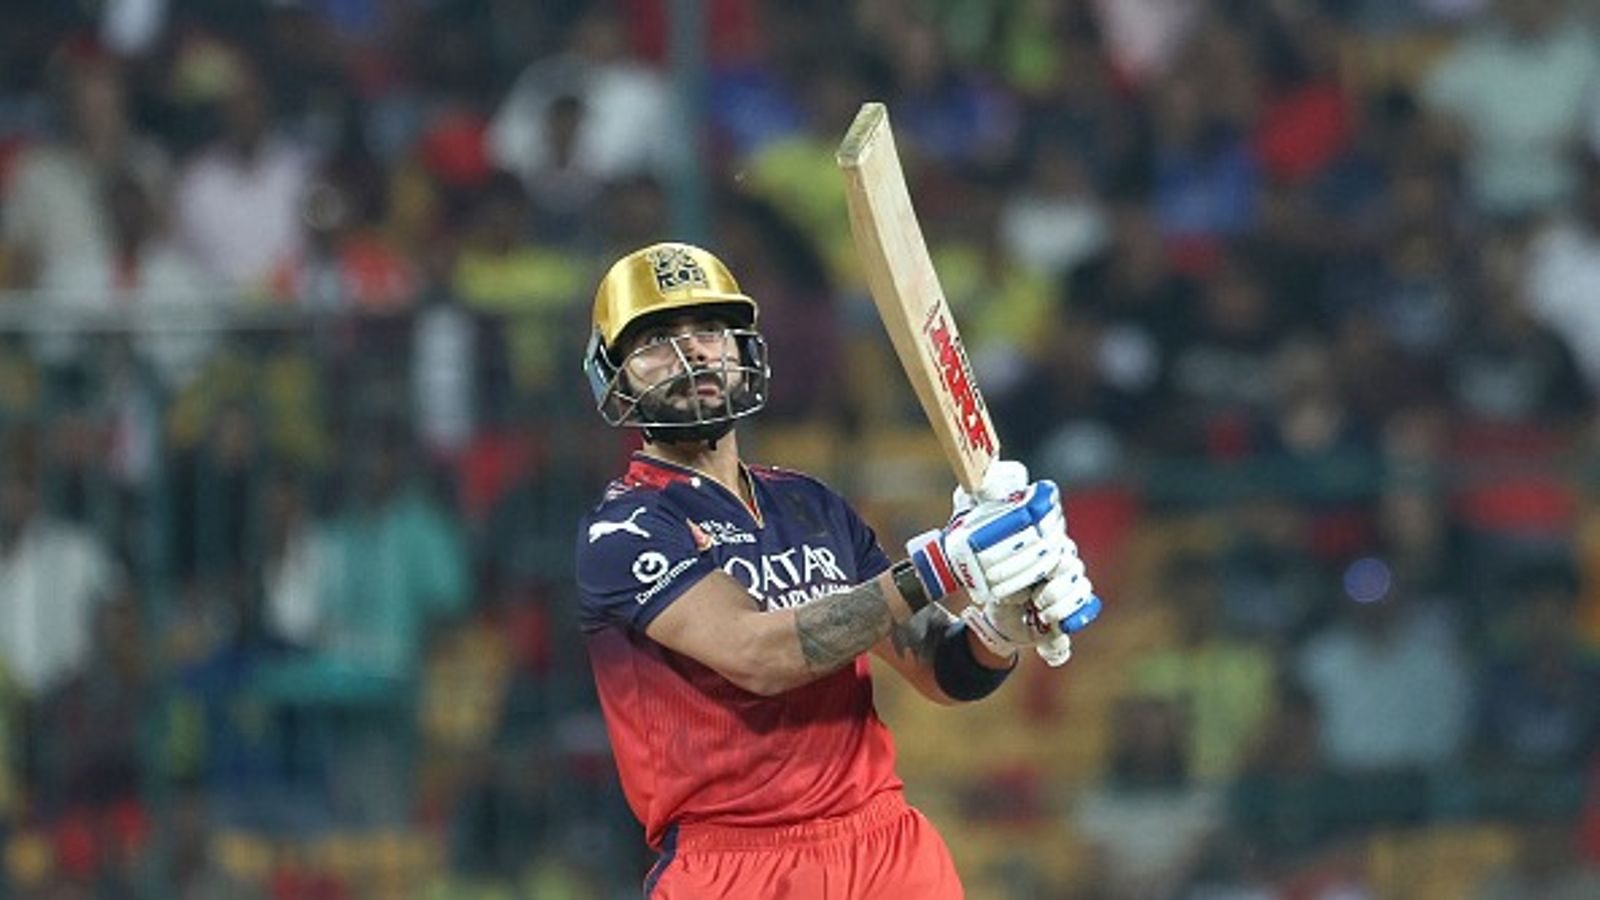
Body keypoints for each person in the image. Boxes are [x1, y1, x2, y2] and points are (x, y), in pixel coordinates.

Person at [574, 242, 1101, 898]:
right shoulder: (624, 529)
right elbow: (758, 656)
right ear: (613, 374)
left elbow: (941, 671)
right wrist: (940, 565)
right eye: (656, 339)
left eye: (710, 331)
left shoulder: (811, 503)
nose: (692, 354)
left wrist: (998, 626)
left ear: (742, 350)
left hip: (889, 853)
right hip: (739, 867)